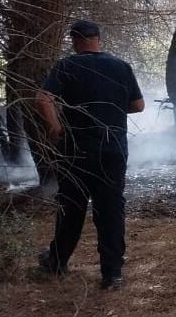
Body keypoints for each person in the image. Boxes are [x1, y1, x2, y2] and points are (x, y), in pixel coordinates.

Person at [33, 20, 144, 290]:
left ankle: (57, 261)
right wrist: (111, 113)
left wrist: (56, 127)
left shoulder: (67, 66)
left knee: (71, 206)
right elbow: (138, 105)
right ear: (98, 39)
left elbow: (42, 98)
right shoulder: (121, 66)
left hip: (76, 150)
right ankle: (112, 274)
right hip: (113, 150)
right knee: (111, 209)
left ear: (74, 40)